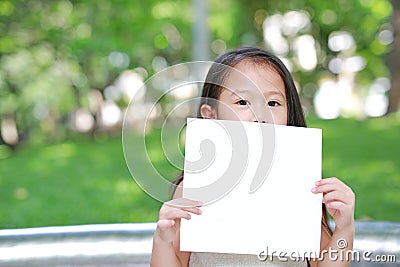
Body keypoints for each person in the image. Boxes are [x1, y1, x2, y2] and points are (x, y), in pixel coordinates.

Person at [150, 46, 355, 267]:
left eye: (273, 103)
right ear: (211, 116)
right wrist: (163, 240)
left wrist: (344, 229)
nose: (261, 115)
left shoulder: (300, 188)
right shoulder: (194, 190)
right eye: (242, 102)